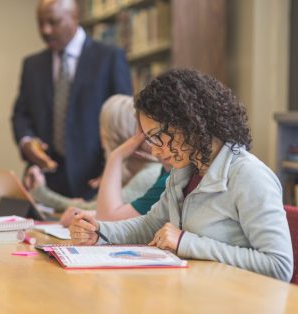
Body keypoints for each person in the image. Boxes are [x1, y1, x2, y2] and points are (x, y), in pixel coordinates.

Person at [69, 68, 293, 282]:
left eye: (158, 136)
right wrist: (99, 231)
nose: (155, 150)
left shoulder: (249, 176)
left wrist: (186, 242)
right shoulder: (184, 172)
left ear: (189, 122)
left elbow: (279, 266)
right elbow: (149, 226)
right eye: (149, 139)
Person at [12, 0, 132, 200]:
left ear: (75, 17)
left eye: (53, 22)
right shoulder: (32, 65)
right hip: (46, 179)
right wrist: (27, 142)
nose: (45, 30)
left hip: (96, 179)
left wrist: (115, 168)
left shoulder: (110, 58)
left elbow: (125, 118)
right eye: (40, 23)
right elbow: (20, 115)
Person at [24, 94, 162, 215]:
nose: (100, 136)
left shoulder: (149, 174)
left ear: (116, 134)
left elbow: (98, 211)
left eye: (103, 128)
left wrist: (42, 193)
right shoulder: (130, 172)